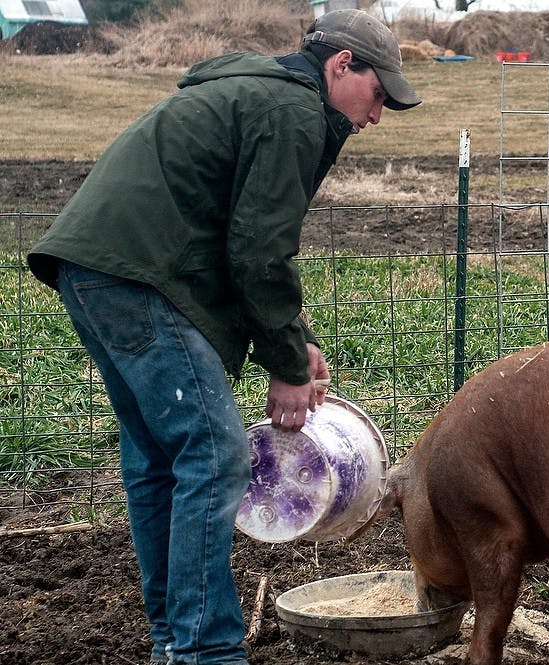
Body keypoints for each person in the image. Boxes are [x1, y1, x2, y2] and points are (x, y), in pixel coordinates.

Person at [27, 9, 420, 665]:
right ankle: (205, 649)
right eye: (378, 94)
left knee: (159, 462)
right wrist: (286, 365)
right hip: (137, 277)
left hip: (94, 269)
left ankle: (174, 640)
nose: (376, 116)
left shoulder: (258, 93)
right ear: (341, 64)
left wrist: (293, 340)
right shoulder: (293, 112)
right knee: (214, 456)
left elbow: (242, 237)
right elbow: (259, 253)